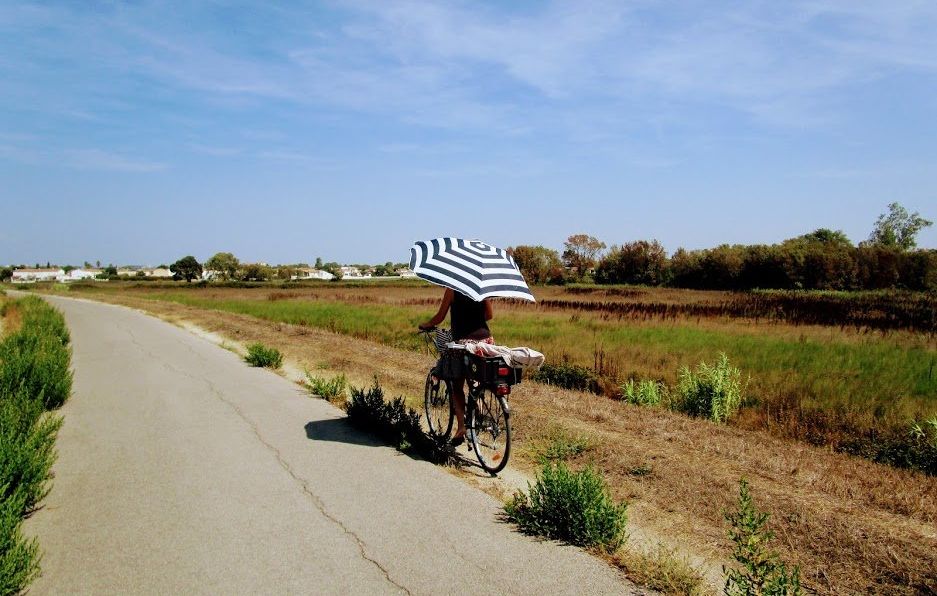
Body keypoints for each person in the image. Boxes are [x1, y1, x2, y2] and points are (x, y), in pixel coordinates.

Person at [419, 288, 493, 445]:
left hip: (462, 344)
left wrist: (427, 324)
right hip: (485, 342)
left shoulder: (452, 291)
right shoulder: (480, 289)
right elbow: (489, 315)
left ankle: (461, 428)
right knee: (476, 380)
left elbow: (439, 317)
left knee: (456, 385)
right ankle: (478, 412)